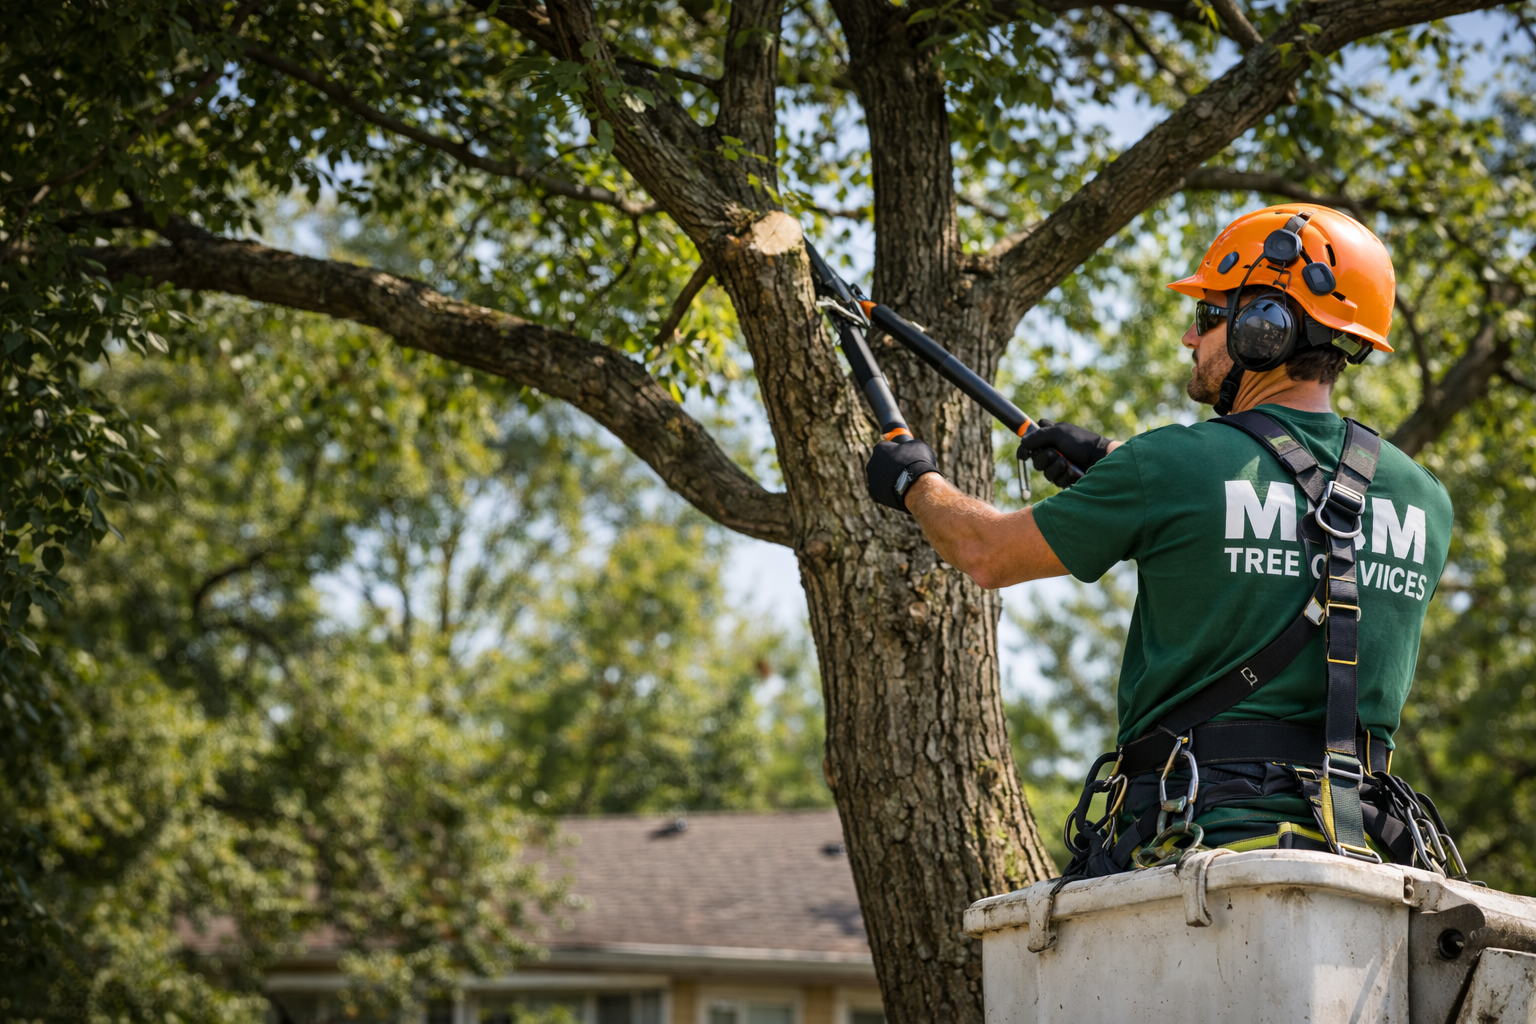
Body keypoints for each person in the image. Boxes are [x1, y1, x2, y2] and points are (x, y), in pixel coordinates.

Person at [865, 204, 1455, 874]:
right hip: (1369, 847)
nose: (1188, 337)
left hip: (1198, 839)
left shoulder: (1169, 466)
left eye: (1208, 315)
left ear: (1266, 327)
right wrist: (1112, 460)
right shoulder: (1425, 498)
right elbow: (1303, 524)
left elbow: (985, 552)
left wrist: (914, 479)